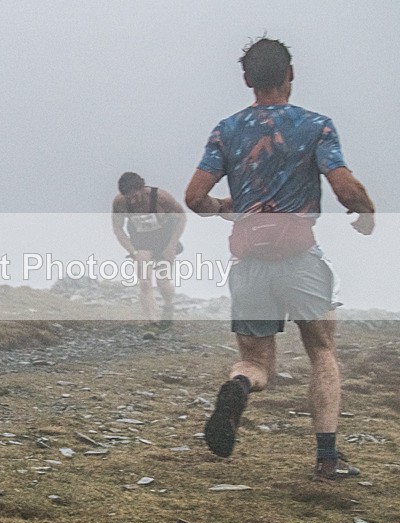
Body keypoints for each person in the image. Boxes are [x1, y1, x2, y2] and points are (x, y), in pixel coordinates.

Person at [185, 38, 375, 480]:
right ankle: (327, 459)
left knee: (255, 363)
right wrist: (365, 215)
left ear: (247, 79)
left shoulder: (226, 130)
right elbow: (346, 188)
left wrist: (227, 207)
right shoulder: (315, 126)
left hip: (250, 260)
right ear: (290, 74)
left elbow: (196, 197)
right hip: (299, 256)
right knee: (322, 352)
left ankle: (238, 387)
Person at [112, 172, 186, 333]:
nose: (132, 200)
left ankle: (168, 306)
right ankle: (152, 323)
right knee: (145, 281)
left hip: (164, 238)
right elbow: (117, 228)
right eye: (128, 197)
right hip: (141, 240)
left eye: (135, 196)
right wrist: (132, 252)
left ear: (142, 188)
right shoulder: (120, 202)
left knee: (163, 281)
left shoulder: (161, 197)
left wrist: (172, 245)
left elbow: (181, 217)